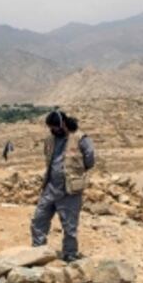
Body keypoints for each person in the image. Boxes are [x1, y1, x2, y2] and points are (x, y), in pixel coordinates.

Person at [31, 110, 96, 261]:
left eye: (56, 127)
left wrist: (77, 172)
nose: (53, 130)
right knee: (39, 219)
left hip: (70, 190)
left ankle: (70, 254)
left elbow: (90, 159)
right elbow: (48, 157)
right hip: (50, 188)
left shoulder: (80, 139)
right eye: (51, 128)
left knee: (69, 226)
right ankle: (38, 251)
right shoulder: (50, 139)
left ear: (64, 124)